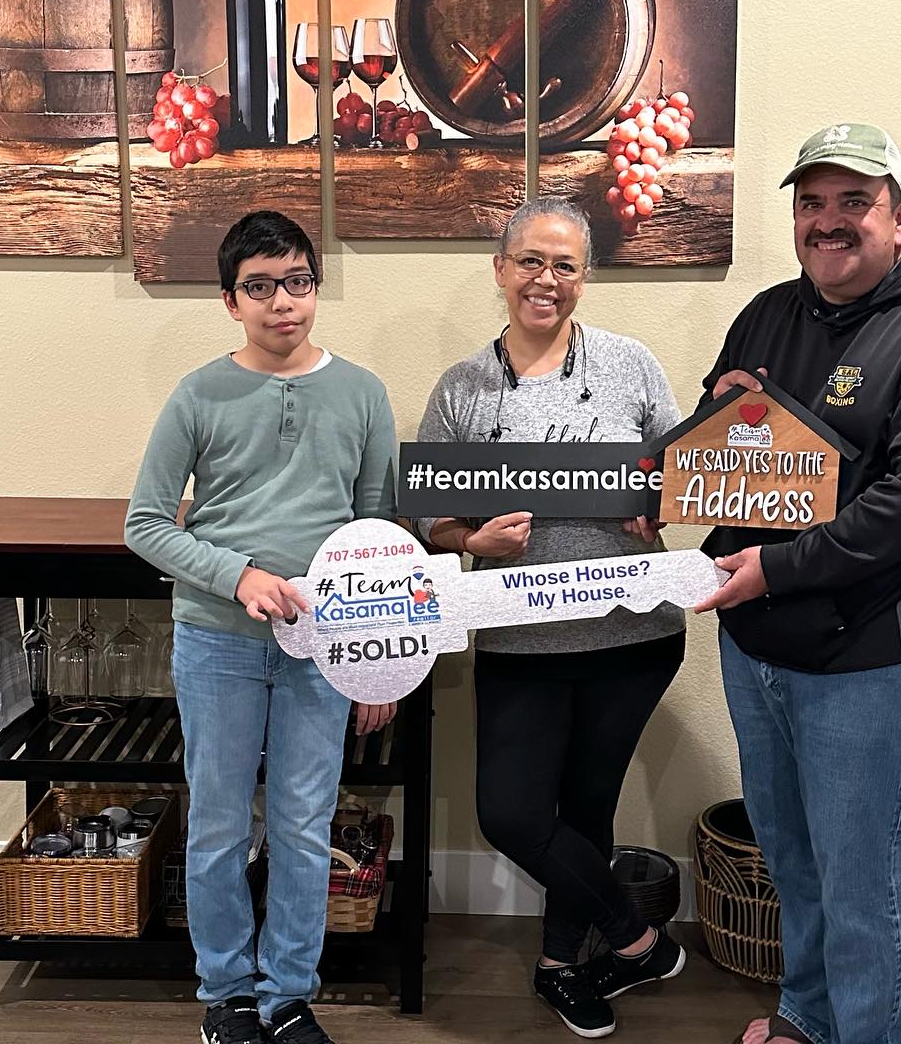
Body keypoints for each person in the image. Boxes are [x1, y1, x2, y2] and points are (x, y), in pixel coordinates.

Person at [694, 125, 901, 1044]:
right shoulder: (766, 314)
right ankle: (808, 1014)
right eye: (811, 203)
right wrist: (698, 434)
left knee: (862, 872)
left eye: (853, 202)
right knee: (790, 855)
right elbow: (723, 450)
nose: (827, 222)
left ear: (900, 217)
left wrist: (773, 569)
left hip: (863, 652)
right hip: (754, 639)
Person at [416, 197, 687, 1039]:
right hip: (519, 636)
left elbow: (684, 472)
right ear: (500, 270)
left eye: (564, 265)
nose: (546, 279)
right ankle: (639, 940)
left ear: (585, 277)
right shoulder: (461, 388)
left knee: (588, 807)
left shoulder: (631, 365)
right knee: (512, 814)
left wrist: (658, 501)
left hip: (632, 634)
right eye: (530, 260)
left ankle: (559, 966)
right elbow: (429, 517)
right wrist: (472, 538)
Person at [125, 211, 398, 1044]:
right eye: (261, 287)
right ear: (230, 300)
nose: (284, 302)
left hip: (323, 647)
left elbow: (377, 531)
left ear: (315, 288)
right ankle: (226, 994)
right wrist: (236, 574)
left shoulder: (363, 393)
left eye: (298, 282)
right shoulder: (198, 394)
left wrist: (374, 664)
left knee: (303, 823)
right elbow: (145, 524)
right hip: (218, 640)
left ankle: (287, 996)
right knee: (216, 821)